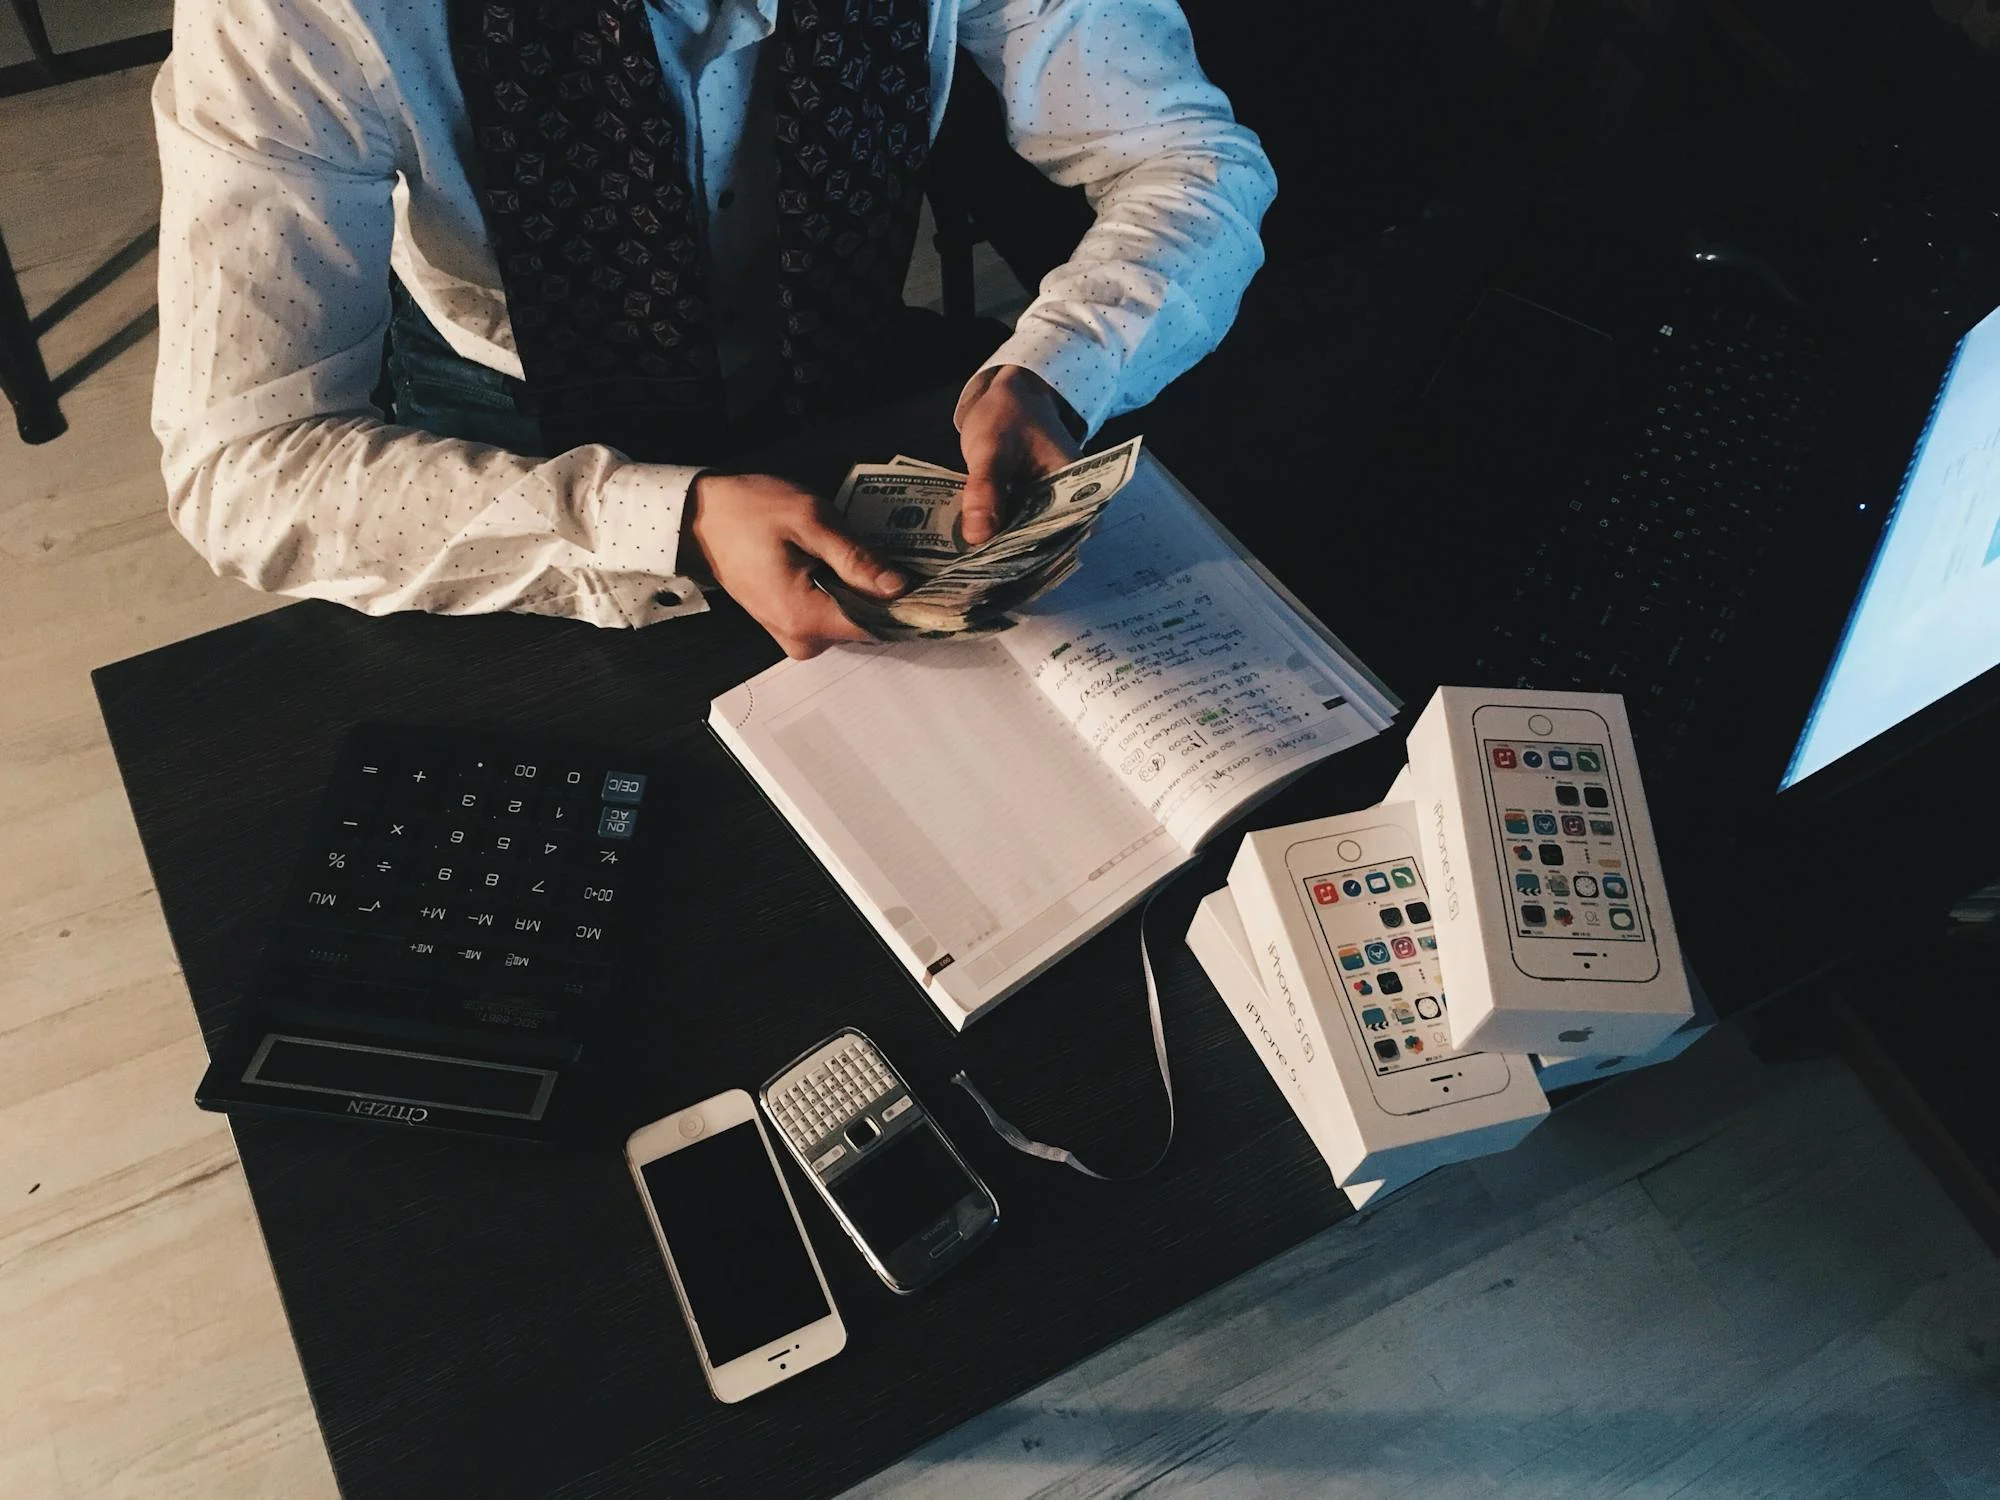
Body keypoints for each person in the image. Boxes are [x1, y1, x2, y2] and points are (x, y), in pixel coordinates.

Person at [151, 0, 1276, 659]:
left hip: (857, 377)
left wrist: (1061, 365)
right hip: (515, 448)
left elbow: (1185, 158)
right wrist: (663, 520)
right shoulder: (302, 12)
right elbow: (240, 465)